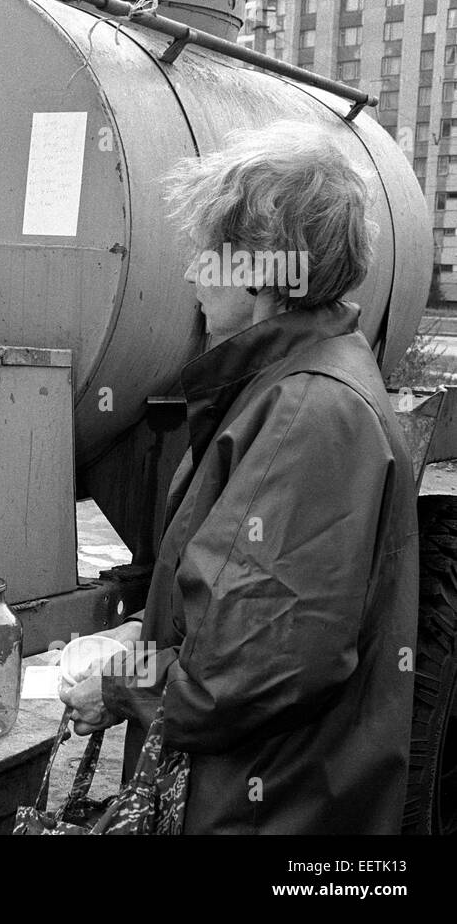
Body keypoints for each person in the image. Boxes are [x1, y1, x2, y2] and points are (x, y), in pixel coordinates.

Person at [59, 122, 419, 834]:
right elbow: (236, 602)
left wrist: (121, 686)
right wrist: (148, 630)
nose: (192, 273)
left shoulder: (311, 413)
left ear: (259, 268)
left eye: (204, 253)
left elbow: (257, 661)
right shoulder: (292, 386)